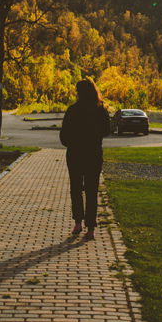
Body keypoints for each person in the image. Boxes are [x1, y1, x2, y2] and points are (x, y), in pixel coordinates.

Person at [58, 78, 111, 239]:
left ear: (79, 92)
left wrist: (72, 142)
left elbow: (64, 135)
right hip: (94, 154)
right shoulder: (100, 110)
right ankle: (91, 227)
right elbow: (106, 131)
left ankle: (78, 222)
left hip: (75, 154)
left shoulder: (73, 110)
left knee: (76, 188)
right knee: (91, 190)